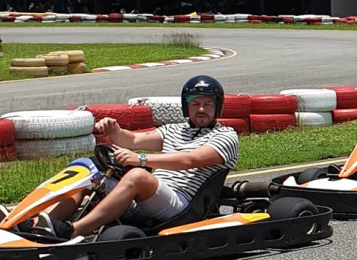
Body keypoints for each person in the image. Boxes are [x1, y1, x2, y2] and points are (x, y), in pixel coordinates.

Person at [37, 74, 240, 239]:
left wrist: (141, 160)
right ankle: (41, 223)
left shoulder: (226, 136)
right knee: (88, 171)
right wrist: (114, 129)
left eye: (207, 104)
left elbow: (190, 160)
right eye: (195, 104)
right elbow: (133, 140)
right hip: (155, 198)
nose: (202, 109)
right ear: (187, 107)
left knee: (137, 176)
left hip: (182, 205)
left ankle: (75, 230)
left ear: (217, 106)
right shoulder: (175, 130)